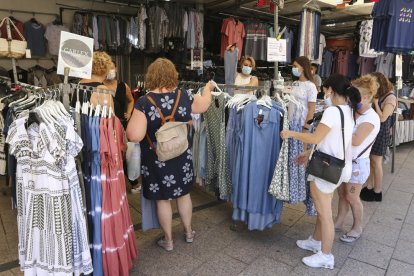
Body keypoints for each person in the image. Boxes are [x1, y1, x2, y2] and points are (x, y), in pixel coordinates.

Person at [126, 58, 213, 251]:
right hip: (181, 155)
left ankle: (168, 240)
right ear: (173, 75)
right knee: (184, 195)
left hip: (157, 159)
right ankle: (189, 232)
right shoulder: (184, 95)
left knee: (163, 199)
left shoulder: (144, 102)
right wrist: (207, 88)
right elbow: (204, 105)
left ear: (151, 76)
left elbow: (134, 135)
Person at [280, 74, 360, 269]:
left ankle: (326, 255)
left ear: (330, 90)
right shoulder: (348, 111)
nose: (324, 94)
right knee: (322, 208)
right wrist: (308, 153)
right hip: (337, 166)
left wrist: (290, 134)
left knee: (324, 213)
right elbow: (330, 141)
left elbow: (316, 138)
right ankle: (316, 241)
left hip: (326, 168)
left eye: (324, 90)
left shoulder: (333, 112)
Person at [334, 75, 380, 243]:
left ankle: (357, 227)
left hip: (358, 164)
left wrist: (336, 129)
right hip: (345, 160)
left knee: (352, 197)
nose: (353, 99)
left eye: (357, 95)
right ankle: (338, 222)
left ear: (367, 97)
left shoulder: (371, 118)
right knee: (342, 193)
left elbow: (356, 140)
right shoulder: (355, 111)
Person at [103, 61, 140, 193]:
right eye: (107, 68)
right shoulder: (99, 86)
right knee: (112, 154)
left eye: (112, 68)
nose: (110, 71)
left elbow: (131, 100)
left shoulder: (122, 86)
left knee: (124, 154)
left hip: (121, 125)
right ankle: (117, 184)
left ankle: (133, 181)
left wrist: (129, 112)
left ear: (116, 69)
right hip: (106, 125)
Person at [361, 72, 397, 202]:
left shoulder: (390, 98)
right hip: (373, 131)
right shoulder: (380, 95)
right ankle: (369, 186)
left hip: (381, 132)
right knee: (371, 160)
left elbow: (383, 118)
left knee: (377, 162)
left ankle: (378, 191)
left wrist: (376, 103)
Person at [291, 56, 318, 149]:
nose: (293, 69)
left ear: (302, 67)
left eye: (295, 66)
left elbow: (312, 109)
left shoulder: (310, 86)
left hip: (303, 123)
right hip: (293, 123)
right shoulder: (294, 83)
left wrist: (306, 127)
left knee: (301, 151)